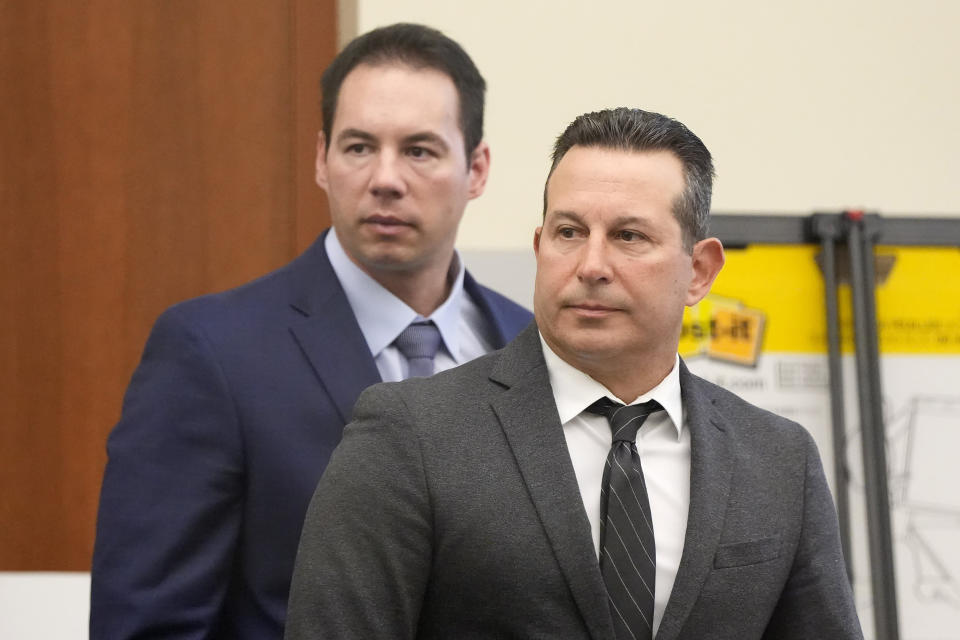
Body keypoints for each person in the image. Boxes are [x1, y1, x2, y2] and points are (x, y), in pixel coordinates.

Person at [284, 107, 864, 639]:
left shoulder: (779, 459)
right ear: (540, 247)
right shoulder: (410, 436)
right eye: (569, 233)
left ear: (700, 271)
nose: (590, 266)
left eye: (628, 236)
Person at [90, 23, 532, 639]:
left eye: (419, 150)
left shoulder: (532, 348)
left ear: (477, 169)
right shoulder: (212, 352)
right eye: (358, 147)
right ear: (321, 161)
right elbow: (146, 627)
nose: (385, 178)